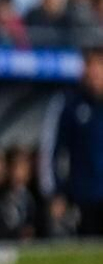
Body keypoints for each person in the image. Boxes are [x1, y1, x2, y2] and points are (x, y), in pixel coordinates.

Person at [40, 43, 103, 236]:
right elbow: (51, 150)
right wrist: (55, 193)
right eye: (89, 64)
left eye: (98, 64)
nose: (93, 71)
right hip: (82, 197)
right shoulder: (68, 103)